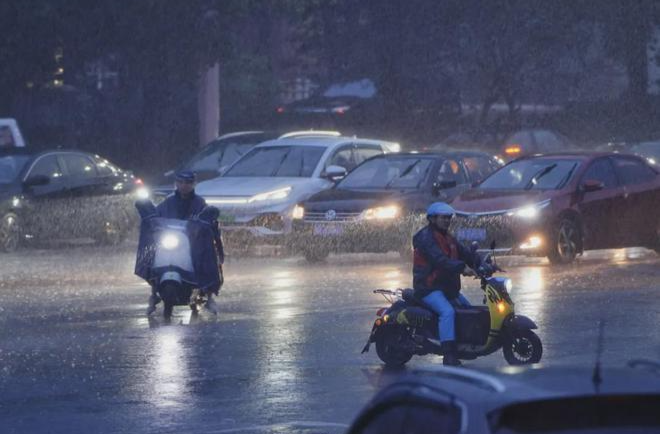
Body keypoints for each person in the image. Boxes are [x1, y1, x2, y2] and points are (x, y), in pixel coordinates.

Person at [147, 170, 225, 315]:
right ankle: (153, 294)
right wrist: (150, 220)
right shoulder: (168, 202)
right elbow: (156, 217)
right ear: (176, 183)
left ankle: (209, 296)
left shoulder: (199, 203)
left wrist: (206, 222)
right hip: (171, 241)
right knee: (151, 257)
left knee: (206, 259)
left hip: (192, 243)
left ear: (193, 184)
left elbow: (207, 220)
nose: (184, 186)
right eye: (181, 182)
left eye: (188, 182)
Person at [412, 202, 479, 366]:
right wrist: (463, 267)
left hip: (446, 288)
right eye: (443, 218)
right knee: (447, 312)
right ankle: (448, 354)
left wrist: (483, 262)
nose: (447, 221)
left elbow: (465, 253)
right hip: (428, 288)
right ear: (433, 219)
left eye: (449, 218)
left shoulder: (448, 237)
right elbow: (440, 260)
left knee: (468, 310)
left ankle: (463, 345)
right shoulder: (425, 238)